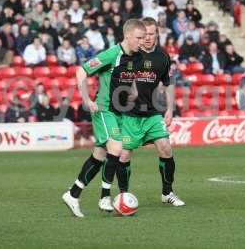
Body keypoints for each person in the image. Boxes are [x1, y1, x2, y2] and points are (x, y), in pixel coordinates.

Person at [62, 19, 145, 217]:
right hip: (104, 109)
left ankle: (73, 194)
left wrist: (133, 93)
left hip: (119, 112)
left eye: (144, 38)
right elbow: (81, 71)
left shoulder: (137, 57)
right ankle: (105, 196)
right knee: (116, 148)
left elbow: (130, 78)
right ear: (127, 36)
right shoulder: (112, 54)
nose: (141, 42)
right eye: (138, 38)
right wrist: (86, 99)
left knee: (99, 155)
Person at [116, 17, 185, 207]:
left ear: (157, 34)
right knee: (124, 155)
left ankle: (167, 192)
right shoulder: (130, 54)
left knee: (166, 148)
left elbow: (168, 84)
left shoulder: (162, 57)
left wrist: (170, 109)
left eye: (151, 33)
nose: (147, 37)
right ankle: (123, 195)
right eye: (144, 34)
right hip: (129, 114)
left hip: (152, 113)